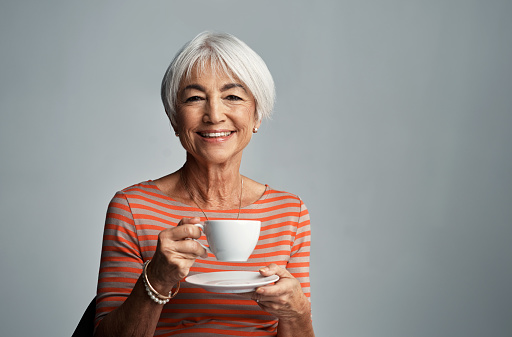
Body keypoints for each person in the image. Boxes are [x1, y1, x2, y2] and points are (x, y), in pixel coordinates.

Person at [94, 31, 315, 337]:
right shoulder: (132, 209)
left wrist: (298, 311)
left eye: (233, 97)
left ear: (256, 115)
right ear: (174, 118)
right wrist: (155, 279)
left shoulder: (289, 212)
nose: (214, 115)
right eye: (195, 98)